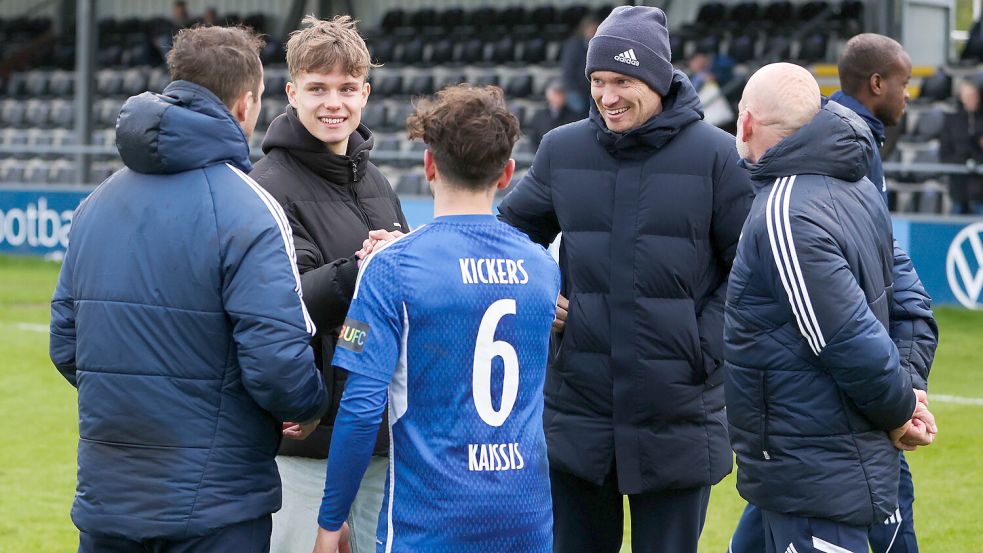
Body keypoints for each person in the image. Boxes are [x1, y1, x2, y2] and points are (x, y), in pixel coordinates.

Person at [49, 25, 328, 553]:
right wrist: (310, 404)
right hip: (216, 510)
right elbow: (277, 365)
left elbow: (66, 346)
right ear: (246, 104)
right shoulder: (249, 208)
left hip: (110, 501)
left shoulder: (94, 204)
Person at [498, 6, 753, 552]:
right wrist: (542, 292)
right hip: (578, 412)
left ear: (659, 79)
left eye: (623, 81)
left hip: (677, 412)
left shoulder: (718, 156)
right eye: (597, 81)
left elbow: (750, 272)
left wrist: (699, 345)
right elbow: (506, 240)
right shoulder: (562, 150)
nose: (607, 96)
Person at [313, 84, 560, 552]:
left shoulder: (392, 268)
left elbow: (362, 408)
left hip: (428, 521)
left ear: (429, 166)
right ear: (507, 174)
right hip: (525, 516)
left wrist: (330, 523)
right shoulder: (543, 268)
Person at [728, 35, 940, 553]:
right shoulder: (859, 189)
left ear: (747, 123)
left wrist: (898, 410)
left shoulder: (785, 211)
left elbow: (845, 338)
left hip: (816, 471)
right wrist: (910, 389)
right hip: (815, 466)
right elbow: (912, 302)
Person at [248, 14, 408, 553]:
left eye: (345, 88)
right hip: (307, 446)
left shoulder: (378, 181)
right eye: (317, 88)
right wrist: (363, 270)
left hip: (382, 435)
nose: (332, 103)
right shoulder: (266, 186)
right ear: (291, 93)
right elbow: (283, 304)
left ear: (365, 93)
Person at [941, 77, 983, 215]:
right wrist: (962, 162)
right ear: (962, 97)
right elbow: (945, 153)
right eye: (970, 96)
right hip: (959, 186)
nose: (974, 99)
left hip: (980, 188)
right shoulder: (952, 121)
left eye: (975, 96)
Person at [559, 15, 598, 116]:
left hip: (591, 91)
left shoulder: (597, 45)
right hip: (576, 91)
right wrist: (572, 89)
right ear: (584, 29)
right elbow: (568, 69)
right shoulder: (574, 45)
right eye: (592, 29)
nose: (593, 32)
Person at [527, 80, 581, 149]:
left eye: (561, 94)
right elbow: (533, 138)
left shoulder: (575, 117)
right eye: (555, 93)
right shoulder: (539, 116)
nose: (558, 97)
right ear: (548, 95)